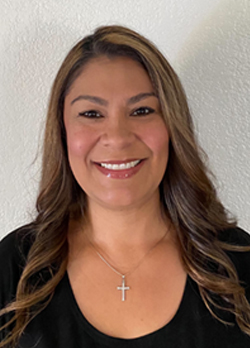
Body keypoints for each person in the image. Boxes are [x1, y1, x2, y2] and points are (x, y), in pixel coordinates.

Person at [0, 25, 250, 348]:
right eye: (91, 113)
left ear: (172, 126)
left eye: (142, 110)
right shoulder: (14, 271)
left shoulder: (238, 266)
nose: (117, 137)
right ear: (62, 133)